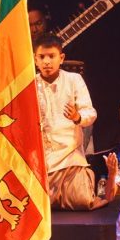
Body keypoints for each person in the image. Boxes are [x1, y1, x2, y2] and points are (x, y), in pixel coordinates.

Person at [35, 35, 102, 211]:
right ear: (35, 59)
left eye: (51, 56)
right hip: (42, 157)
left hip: (70, 156)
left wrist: (77, 117)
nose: (47, 61)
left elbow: (90, 113)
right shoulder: (30, 84)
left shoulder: (73, 80)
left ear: (61, 58)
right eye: (42, 57)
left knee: (82, 201)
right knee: (36, 205)